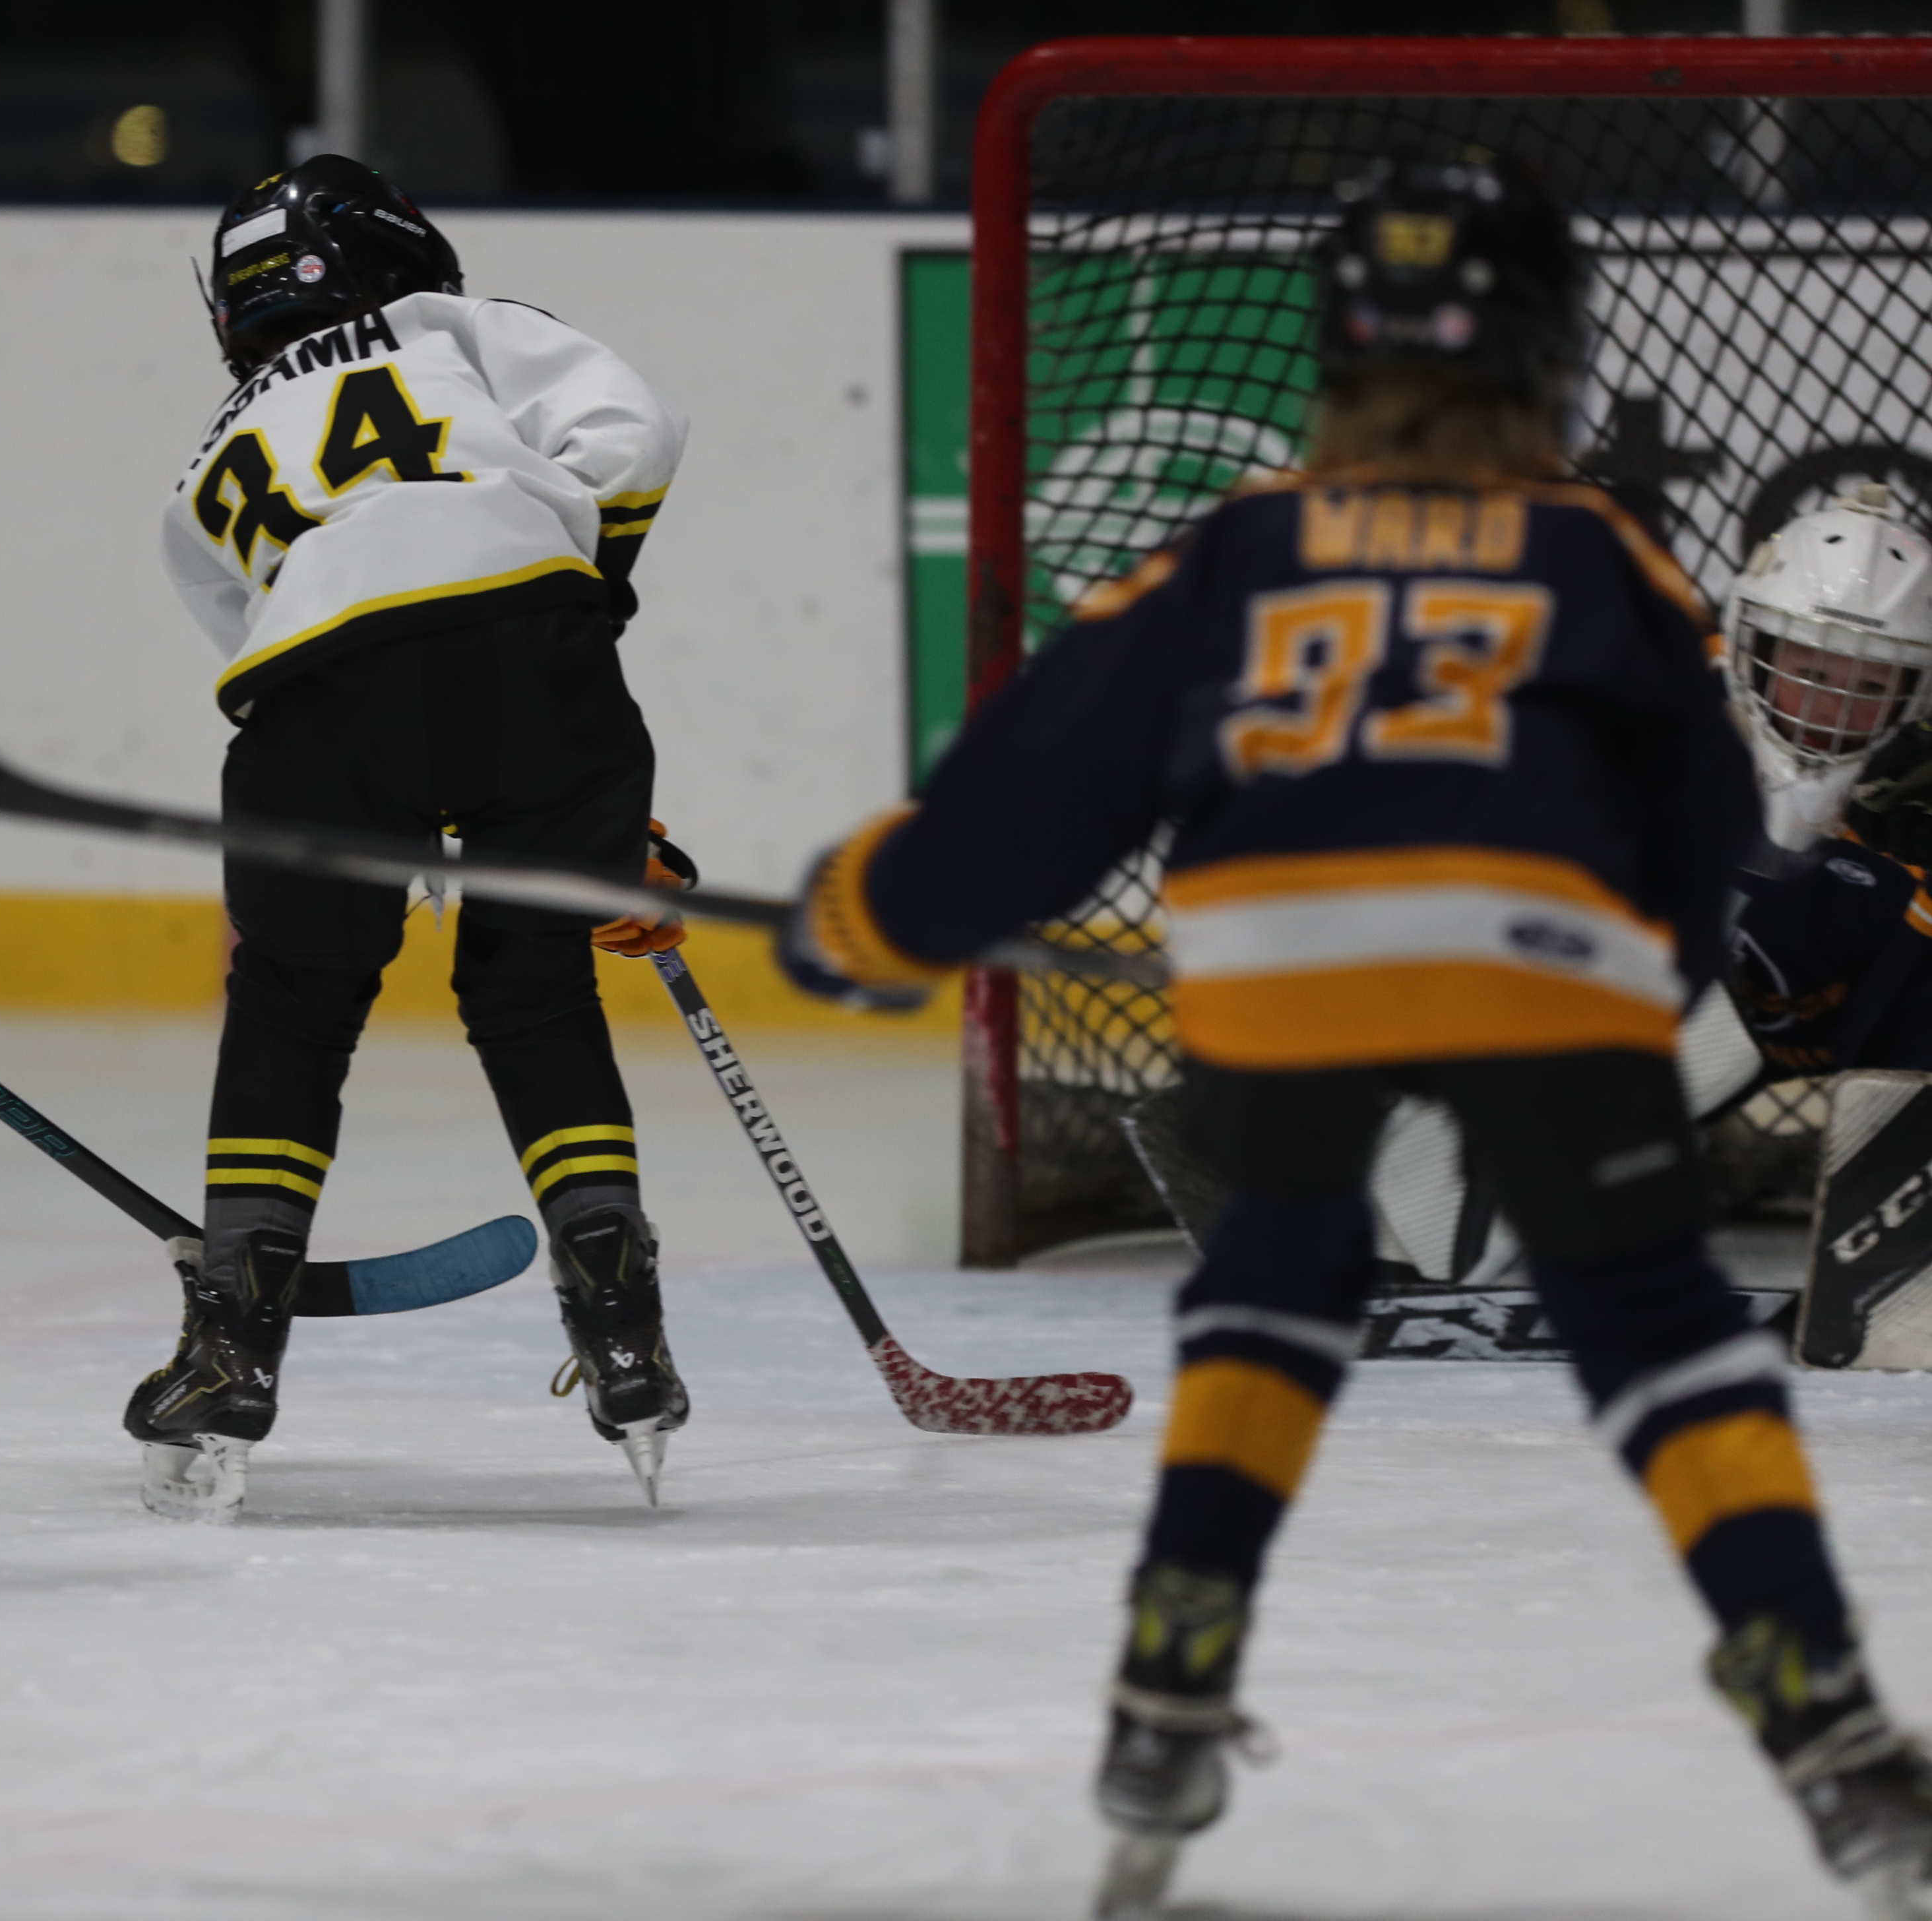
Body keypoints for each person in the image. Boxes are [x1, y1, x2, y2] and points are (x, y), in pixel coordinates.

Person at [780, 156, 1932, 1916]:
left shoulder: (1236, 551)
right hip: (1547, 977)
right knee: (1660, 1335)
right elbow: (1707, 822)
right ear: (1546, 352)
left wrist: (861, 924)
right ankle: (1821, 1714)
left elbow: (1022, 802)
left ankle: (1173, 1671)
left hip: (1285, 976)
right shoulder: (1599, 557)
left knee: (1275, 1288)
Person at [130, 155, 691, 1520]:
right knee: (534, 989)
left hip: (315, 697)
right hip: (536, 652)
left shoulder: (206, 462)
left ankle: (231, 1346)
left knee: (293, 1004)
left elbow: (290, 643)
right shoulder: (446, 326)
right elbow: (636, 428)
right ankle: (620, 1326)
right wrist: (567, 623)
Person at [1718, 488, 1932, 1080]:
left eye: (1871, 688)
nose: (1833, 711)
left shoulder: (1916, 819)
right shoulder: (1664, 735)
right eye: (1812, 674)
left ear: (1917, 696)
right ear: (1750, 655)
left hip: (1851, 1100)